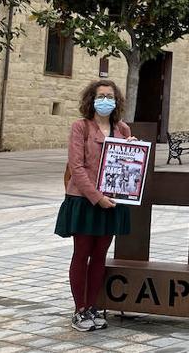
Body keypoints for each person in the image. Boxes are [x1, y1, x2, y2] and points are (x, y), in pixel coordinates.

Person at [55, 79, 133, 332]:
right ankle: (79, 310)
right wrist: (96, 196)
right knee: (82, 253)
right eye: (101, 96)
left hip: (112, 200)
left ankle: (92, 307)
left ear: (116, 101)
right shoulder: (81, 127)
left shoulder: (122, 129)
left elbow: (127, 165)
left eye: (110, 96)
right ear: (92, 99)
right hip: (84, 200)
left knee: (100, 255)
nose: (105, 101)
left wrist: (132, 149)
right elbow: (76, 167)